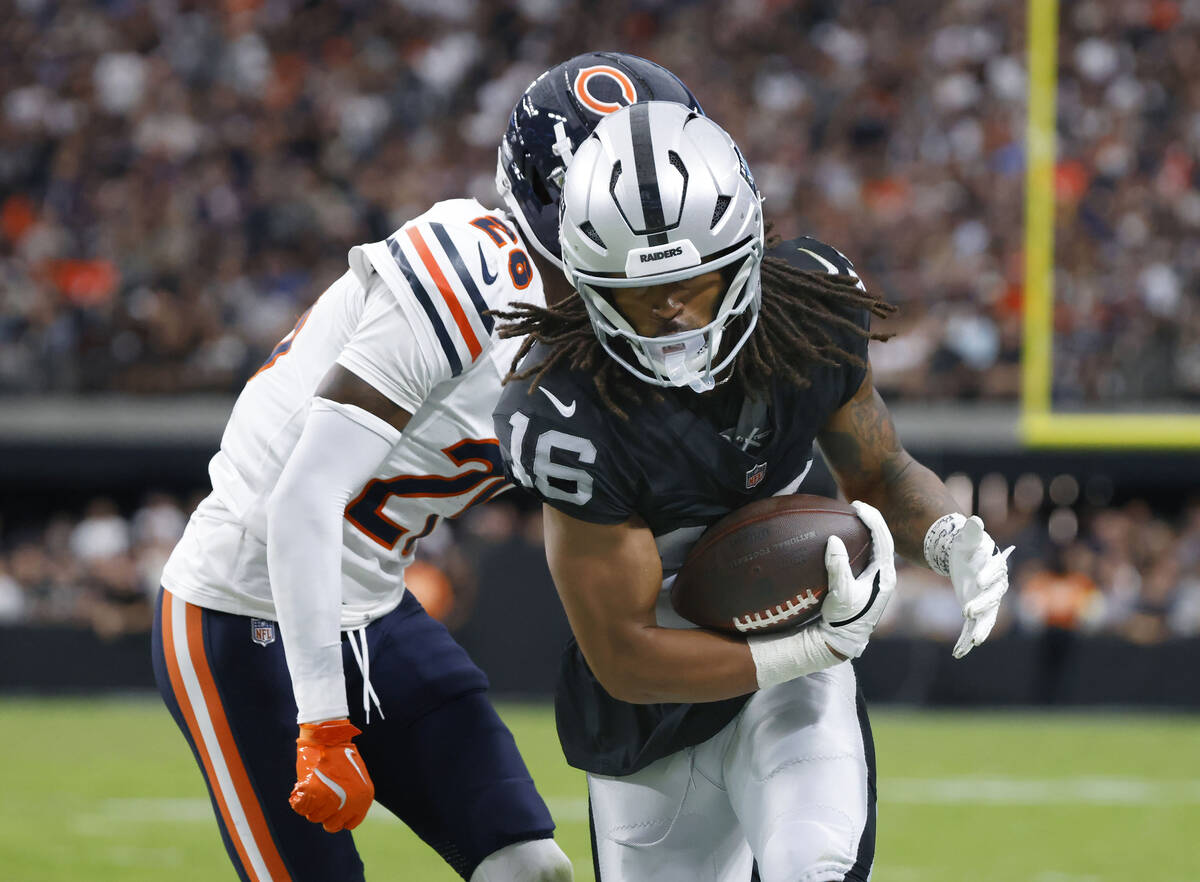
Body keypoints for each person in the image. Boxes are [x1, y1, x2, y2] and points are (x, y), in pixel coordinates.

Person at [151, 54, 703, 882]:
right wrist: (324, 727)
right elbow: (301, 501)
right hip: (244, 608)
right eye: (629, 190)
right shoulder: (468, 273)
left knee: (533, 869)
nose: (660, 219)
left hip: (373, 608)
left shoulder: (611, 321)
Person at [493, 102, 1014, 882]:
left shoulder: (812, 309)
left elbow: (882, 471)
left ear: (745, 254)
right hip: (653, 709)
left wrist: (947, 535)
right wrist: (803, 645)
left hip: (793, 685)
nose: (669, 310)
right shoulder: (563, 407)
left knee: (816, 866)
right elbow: (626, 655)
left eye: (691, 283)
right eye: (640, 293)